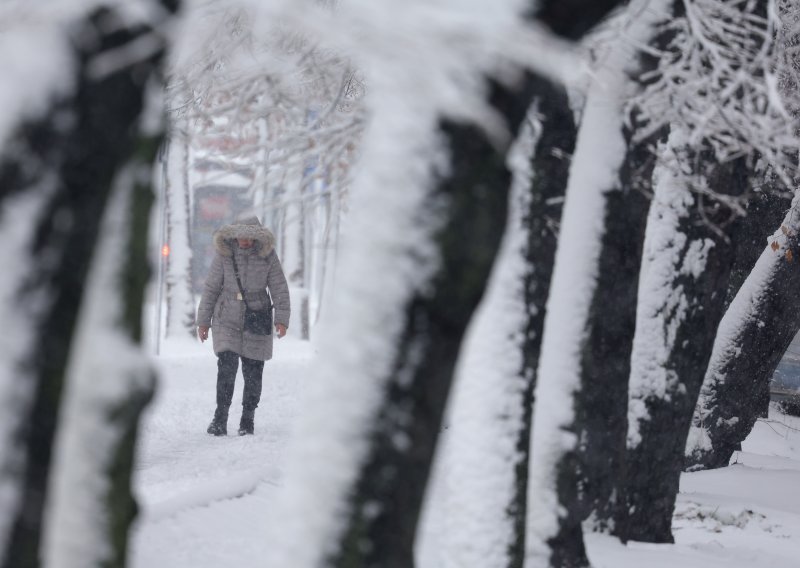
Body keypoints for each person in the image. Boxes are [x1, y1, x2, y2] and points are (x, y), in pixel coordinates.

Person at [196, 216, 290, 436]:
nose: (245, 241)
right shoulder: (225, 255)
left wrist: (282, 319)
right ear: (234, 235)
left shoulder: (267, 256)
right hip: (226, 316)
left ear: (257, 237)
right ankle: (220, 418)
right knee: (226, 367)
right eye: (241, 236)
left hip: (256, 316)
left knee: (253, 370)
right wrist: (203, 322)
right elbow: (211, 288)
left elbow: (279, 287)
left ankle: (248, 419)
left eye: (249, 236)